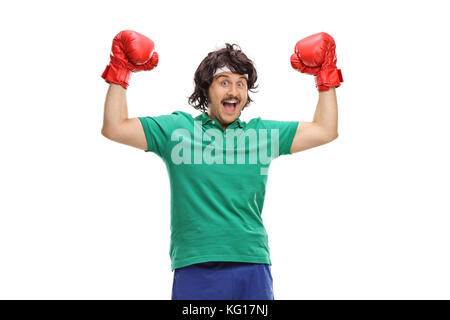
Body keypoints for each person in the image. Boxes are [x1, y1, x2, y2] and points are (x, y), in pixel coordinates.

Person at [101, 30, 343, 300]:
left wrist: (325, 77)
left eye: (241, 84)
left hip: (251, 264)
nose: (234, 91)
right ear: (206, 88)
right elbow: (115, 127)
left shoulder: (261, 135)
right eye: (224, 82)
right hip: (194, 266)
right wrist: (120, 72)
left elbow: (325, 130)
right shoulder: (177, 131)